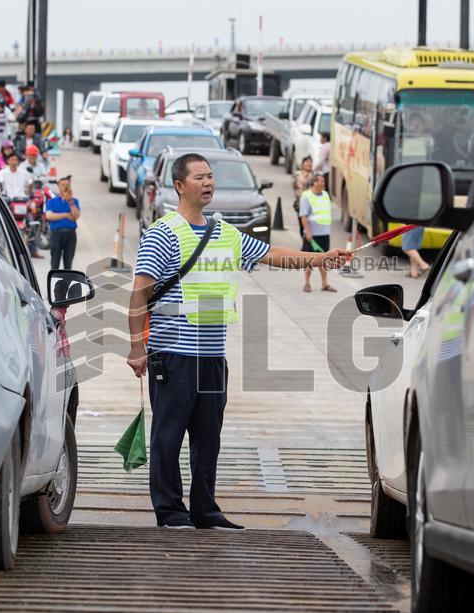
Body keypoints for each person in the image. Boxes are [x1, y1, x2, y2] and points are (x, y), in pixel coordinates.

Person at [126, 153, 352, 530]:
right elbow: (138, 294)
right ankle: (170, 512)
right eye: (200, 177)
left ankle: (204, 510)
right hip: (173, 355)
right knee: (168, 436)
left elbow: (272, 254)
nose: (208, 183)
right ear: (180, 186)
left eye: (211, 177)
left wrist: (319, 259)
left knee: (208, 439)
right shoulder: (162, 234)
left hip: (213, 356)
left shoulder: (224, 233)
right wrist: (136, 348)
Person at [299, 173, 335, 293]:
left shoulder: (325, 195)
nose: (323, 183)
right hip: (312, 235)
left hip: (324, 233)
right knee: (309, 260)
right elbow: (303, 216)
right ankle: (307, 283)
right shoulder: (306, 196)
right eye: (321, 181)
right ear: (315, 182)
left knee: (324, 259)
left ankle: (325, 284)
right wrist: (308, 232)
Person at [44, 178, 81, 270]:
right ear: (58, 187)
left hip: (70, 234)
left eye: (67, 185)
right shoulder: (52, 201)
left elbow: (76, 216)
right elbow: (49, 216)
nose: (65, 187)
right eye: (62, 185)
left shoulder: (74, 201)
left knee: (68, 263)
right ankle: (53, 281)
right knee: (55, 262)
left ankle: (66, 281)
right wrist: (66, 215)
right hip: (56, 234)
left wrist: (70, 202)